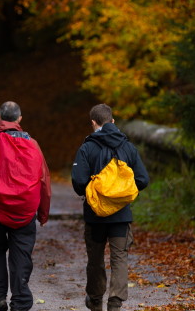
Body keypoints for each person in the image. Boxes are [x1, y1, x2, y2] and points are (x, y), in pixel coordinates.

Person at [0, 101, 51, 311]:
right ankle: (21, 301)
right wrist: (42, 212)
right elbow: (43, 179)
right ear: (19, 119)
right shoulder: (32, 144)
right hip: (25, 209)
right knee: (21, 253)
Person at [71, 104, 150, 311]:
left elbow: (78, 182)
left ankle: (95, 300)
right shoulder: (127, 147)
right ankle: (115, 302)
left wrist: (95, 192)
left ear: (93, 123)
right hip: (121, 217)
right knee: (119, 259)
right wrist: (121, 194)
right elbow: (142, 179)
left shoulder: (87, 147)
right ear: (113, 121)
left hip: (95, 215)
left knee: (95, 260)